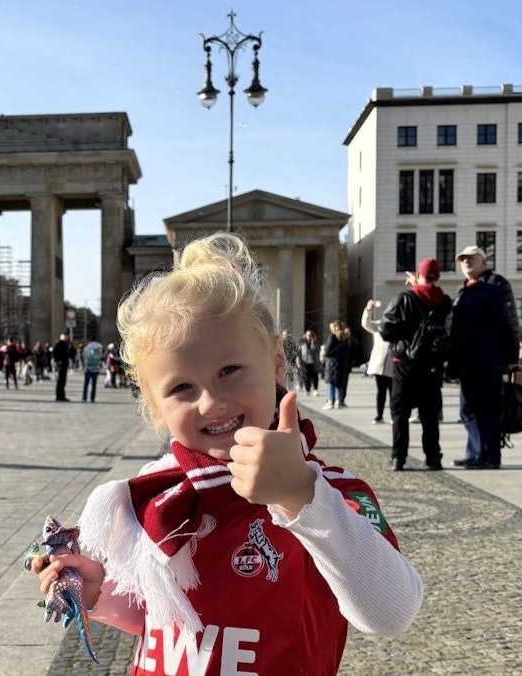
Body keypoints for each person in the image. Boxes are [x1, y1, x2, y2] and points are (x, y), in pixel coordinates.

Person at [30, 232, 422, 674]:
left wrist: (301, 496)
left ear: (277, 361)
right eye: (182, 387)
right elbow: (165, 619)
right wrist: (99, 594)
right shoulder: (161, 497)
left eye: (229, 370)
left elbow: (391, 613)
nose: (211, 402)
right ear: (155, 407)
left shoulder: (330, 495)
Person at [449, 246, 520, 470]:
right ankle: (476, 452)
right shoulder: (463, 289)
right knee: (468, 409)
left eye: (472, 258)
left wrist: (511, 358)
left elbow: (509, 320)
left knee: (486, 409)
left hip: (489, 359)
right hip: (467, 360)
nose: (466, 262)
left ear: (483, 262)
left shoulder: (496, 285)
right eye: (463, 260)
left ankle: (487, 455)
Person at [379, 258, 452, 471]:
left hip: (405, 363)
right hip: (432, 365)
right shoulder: (444, 302)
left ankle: (399, 457)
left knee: (400, 412)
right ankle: (433, 457)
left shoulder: (404, 298)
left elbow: (385, 329)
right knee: (429, 414)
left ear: (419, 275)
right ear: (437, 277)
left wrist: (406, 334)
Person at [361, 299, 393, 424]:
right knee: (381, 392)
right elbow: (366, 323)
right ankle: (379, 415)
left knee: (393, 393)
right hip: (379, 364)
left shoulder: (398, 327)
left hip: (393, 365)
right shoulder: (379, 325)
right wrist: (368, 310)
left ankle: (394, 416)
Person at [322, 319, 350, 410]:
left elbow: (328, 351)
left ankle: (330, 401)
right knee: (339, 384)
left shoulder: (332, 337)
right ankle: (338, 401)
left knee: (330, 383)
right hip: (342, 363)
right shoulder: (345, 337)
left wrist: (325, 355)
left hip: (332, 363)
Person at [296, 330, 321, 396]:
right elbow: (298, 353)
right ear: (305, 335)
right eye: (308, 335)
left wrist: (313, 343)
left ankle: (315, 390)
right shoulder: (302, 342)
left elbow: (317, 350)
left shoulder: (315, 342)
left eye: (310, 335)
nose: (309, 336)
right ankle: (308, 389)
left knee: (315, 376)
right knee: (307, 377)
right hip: (305, 362)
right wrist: (298, 362)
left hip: (314, 362)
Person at [81, 335, 103, 402]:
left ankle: (84, 397)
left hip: (88, 368)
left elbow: (84, 356)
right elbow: (101, 356)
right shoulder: (99, 346)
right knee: (94, 384)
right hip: (96, 368)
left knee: (86, 384)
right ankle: (92, 398)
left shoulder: (87, 347)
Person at [51, 333, 72, 402]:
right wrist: (58, 361)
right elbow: (55, 354)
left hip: (63, 364)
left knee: (62, 381)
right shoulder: (60, 345)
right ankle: (60, 396)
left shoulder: (64, 344)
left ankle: (61, 395)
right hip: (61, 365)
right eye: (66, 337)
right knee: (61, 381)